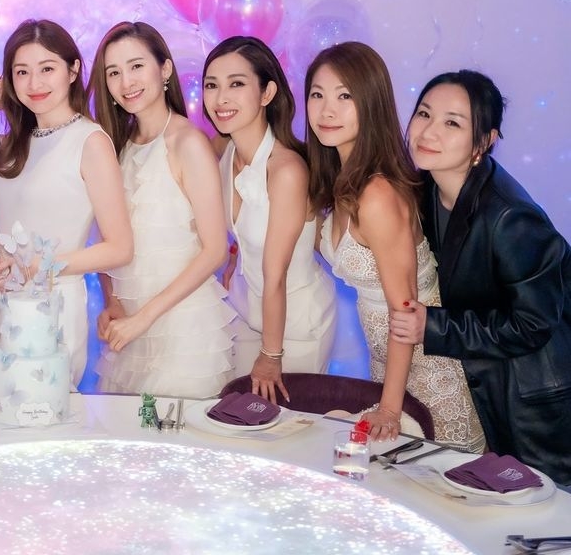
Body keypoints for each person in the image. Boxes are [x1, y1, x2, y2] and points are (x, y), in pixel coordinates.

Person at [390, 70, 571, 484]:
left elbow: (533, 324)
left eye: (452, 123)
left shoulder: (510, 217)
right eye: (424, 114)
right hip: (488, 381)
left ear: (484, 141)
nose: (429, 131)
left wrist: (432, 326)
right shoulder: (427, 187)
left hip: (537, 396)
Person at [307, 42, 483, 449]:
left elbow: (405, 310)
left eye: (344, 96)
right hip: (388, 367)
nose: (327, 110)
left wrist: (389, 408)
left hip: (428, 368)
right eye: (317, 94)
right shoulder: (343, 180)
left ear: (371, 102)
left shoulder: (378, 194)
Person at [0, 19, 133, 395]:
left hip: (50, 308)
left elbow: (120, 248)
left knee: (38, 417)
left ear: (72, 71)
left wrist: (40, 266)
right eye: (22, 72)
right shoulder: (15, 141)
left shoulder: (90, 142)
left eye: (47, 69)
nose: (34, 83)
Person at [89, 22, 234, 399]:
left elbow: (215, 251)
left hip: (185, 332)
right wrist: (112, 302)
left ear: (165, 69)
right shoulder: (116, 148)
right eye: (114, 72)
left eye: (136, 66)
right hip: (130, 334)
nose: (126, 82)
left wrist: (144, 317)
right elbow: (110, 239)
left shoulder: (188, 143)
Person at [203, 36, 337, 402]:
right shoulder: (224, 148)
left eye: (236, 84)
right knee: (234, 413)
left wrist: (271, 355)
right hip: (246, 310)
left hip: (296, 324)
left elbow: (275, 273)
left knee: (288, 426)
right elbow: (242, 227)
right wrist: (235, 256)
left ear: (267, 93)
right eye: (212, 85)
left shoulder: (287, 170)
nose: (221, 98)